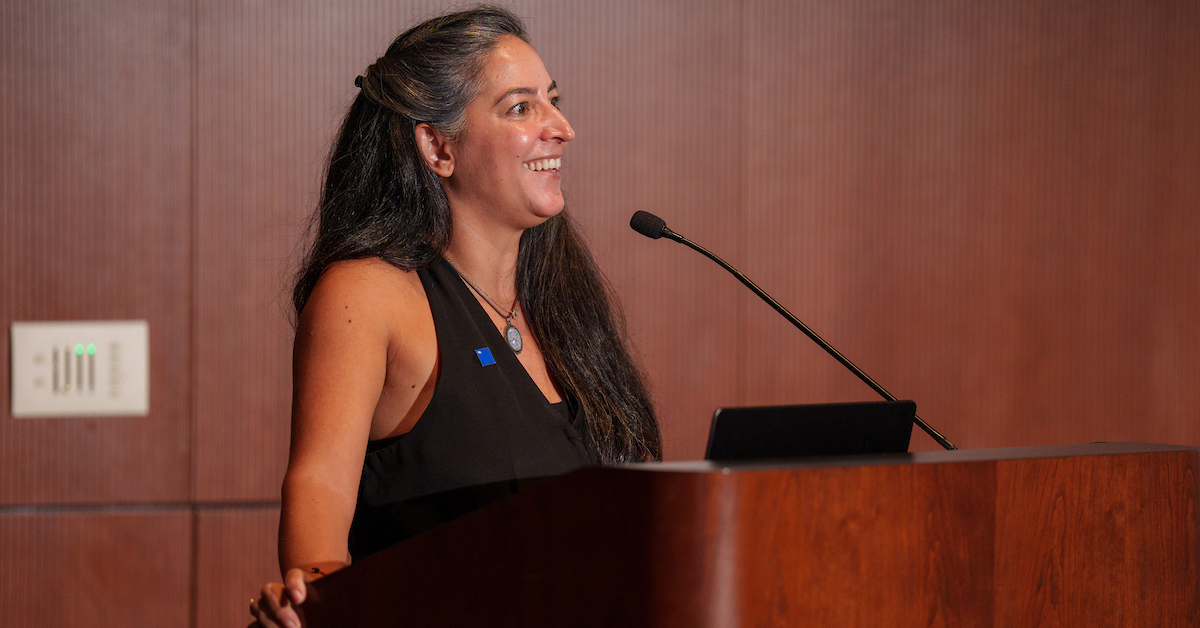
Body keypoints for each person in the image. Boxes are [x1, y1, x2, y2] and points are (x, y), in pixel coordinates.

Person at [248, 6, 661, 627]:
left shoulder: (563, 301)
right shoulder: (369, 295)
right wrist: (313, 601)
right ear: (438, 147)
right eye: (520, 108)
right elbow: (319, 490)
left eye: (553, 101)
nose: (562, 128)